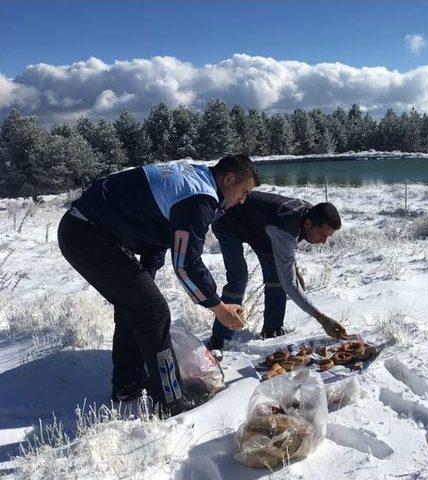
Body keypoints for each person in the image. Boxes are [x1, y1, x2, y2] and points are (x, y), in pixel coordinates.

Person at [57, 154, 259, 415]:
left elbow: (155, 230)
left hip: (88, 230)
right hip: (88, 235)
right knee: (153, 311)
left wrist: (146, 277)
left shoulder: (195, 179)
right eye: (244, 192)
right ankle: (170, 399)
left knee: (139, 307)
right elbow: (185, 263)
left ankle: (127, 386)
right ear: (229, 179)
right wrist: (219, 308)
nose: (243, 200)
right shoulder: (200, 198)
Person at [206, 191, 347, 351]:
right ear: (308, 224)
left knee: (277, 278)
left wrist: (295, 270)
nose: (323, 242)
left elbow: (288, 249)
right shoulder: (286, 227)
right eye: (322, 235)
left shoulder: (310, 214)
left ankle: (272, 331)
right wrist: (322, 319)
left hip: (261, 230)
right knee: (238, 277)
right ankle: (220, 339)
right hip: (228, 220)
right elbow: (289, 283)